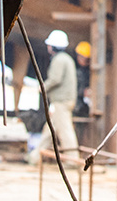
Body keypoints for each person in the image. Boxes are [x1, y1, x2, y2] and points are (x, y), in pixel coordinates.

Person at [26, 29, 79, 164]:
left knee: (65, 131)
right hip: (62, 101)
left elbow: (55, 79)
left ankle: (73, 160)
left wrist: (42, 87)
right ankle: (35, 157)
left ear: (53, 46)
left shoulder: (59, 60)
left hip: (61, 102)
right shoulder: (65, 59)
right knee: (48, 132)